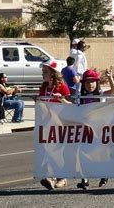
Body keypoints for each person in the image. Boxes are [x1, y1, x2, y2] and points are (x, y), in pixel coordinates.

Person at [76, 68, 114, 190]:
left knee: (101, 153)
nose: (90, 85)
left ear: (96, 83)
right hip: (86, 129)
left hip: (100, 129)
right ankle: (85, 179)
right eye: (87, 82)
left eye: (93, 82)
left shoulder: (101, 94)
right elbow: (72, 108)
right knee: (84, 153)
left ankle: (104, 175)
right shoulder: (80, 97)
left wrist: (110, 77)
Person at [39, 59, 71, 190]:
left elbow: (71, 106)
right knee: (46, 150)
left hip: (60, 123)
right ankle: (49, 176)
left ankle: (62, 178)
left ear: (53, 73)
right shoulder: (44, 87)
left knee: (58, 151)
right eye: (43, 72)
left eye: (45, 72)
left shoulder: (62, 86)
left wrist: (62, 99)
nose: (43, 74)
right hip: (46, 123)